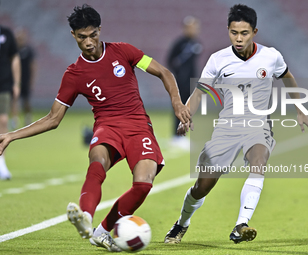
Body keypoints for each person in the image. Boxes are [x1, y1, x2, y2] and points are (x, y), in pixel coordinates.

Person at [0, 4, 190, 252]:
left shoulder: (123, 51)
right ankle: (85, 217)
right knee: (97, 162)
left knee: (143, 184)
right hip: (107, 126)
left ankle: (101, 231)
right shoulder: (74, 74)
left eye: (92, 35)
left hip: (138, 126)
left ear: (100, 30)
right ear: (73, 35)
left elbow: (164, 72)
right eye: (82, 37)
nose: (88, 42)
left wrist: (177, 102)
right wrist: (12, 135)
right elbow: (53, 119)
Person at [164, 4, 308, 245]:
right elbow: (200, 92)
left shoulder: (271, 56)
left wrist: (300, 109)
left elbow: (288, 77)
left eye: (244, 33)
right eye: (234, 32)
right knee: (202, 187)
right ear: (228, 30)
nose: (238, 38)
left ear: (254, 31)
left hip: (258, 124)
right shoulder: (218, 60)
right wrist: (186, 115)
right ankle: (182, 223)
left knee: (259, 161)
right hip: (227, 127)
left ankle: (240, 225)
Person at [167, 16, 202, 149]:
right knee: (179, 108)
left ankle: (182, 135)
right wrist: (177, 75)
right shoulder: (179, 43)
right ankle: (176, 136)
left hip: (191, 82)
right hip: (180, 82)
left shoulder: (196, 43)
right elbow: (170, 60)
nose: (194, 30)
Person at [0, 25, 21, 180]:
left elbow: (14, 57)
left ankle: (1, 163)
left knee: (3, 120)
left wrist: (16, 83)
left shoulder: (6, 33)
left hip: (3, 84)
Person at [12, 28, 36, 128]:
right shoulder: (13, 50)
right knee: (14, 100)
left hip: (25, 79)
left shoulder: (29, 50)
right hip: (15, 79)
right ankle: (14, 120)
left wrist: (32, 80)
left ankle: (28, 117)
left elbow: (33, 66)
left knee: (26, 101)